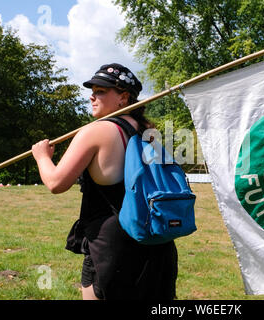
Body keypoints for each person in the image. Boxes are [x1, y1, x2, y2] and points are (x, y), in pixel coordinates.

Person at [31, 63, 178, 300]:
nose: (92, 96)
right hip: (157, 241)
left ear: (123, 97)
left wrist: (42, 157)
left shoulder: (96, 131)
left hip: (114, 249)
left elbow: (56, 183)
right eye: (93, 90)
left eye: (101, 91)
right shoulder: (149, 133)